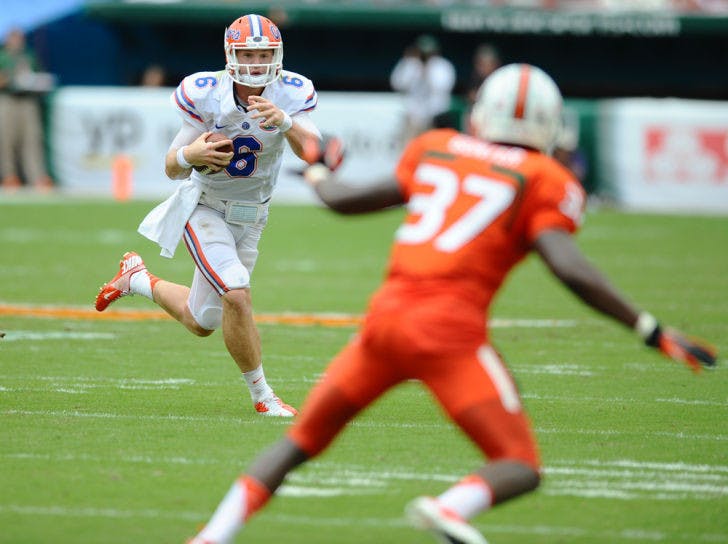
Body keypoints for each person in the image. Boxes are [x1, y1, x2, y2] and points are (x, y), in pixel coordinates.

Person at [187, 64, 717, 544]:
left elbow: (345, 200)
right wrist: (648, 328)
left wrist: (321, 171)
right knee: (520, 463)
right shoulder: (545, 179)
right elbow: (568, 266)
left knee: (300, 442)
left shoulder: (437, 145)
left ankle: (213, 535)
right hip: (450, 336)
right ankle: (450, 507)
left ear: (481, 110)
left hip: (384, 326)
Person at [95, 14, 323, 417]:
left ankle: (137, 278)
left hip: (253, 216)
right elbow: (172, 167)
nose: (256, 62)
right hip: (206, 208)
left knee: (202, 321)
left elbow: (314, 152)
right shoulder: (205, 93)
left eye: (264, 53)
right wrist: (191, 155)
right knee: (236, 291)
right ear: (230, 54)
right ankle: (264, 397)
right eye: (248, 53)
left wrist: (285, 122)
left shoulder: (291, 92)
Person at [0, 27, 55, 192]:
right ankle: (9, 176)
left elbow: (38, 75)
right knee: (6, 139)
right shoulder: (3, 57)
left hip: (28, 99)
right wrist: (10, 79)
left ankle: (37, 177)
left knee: (32, 138)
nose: (17, 41)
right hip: (8, 98)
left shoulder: (29, 55)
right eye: (14, 37)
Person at [390, 34, 456, 141]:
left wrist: (427, 69)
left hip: (435, 116)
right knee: (410, 146)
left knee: (435, 148)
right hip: (413, 116)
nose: (425, 56)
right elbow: (397, 84)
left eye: (428, 53)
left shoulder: (443, 66)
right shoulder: (409, 63)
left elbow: (442, 88)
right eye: (422, 52)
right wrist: (412, 66)